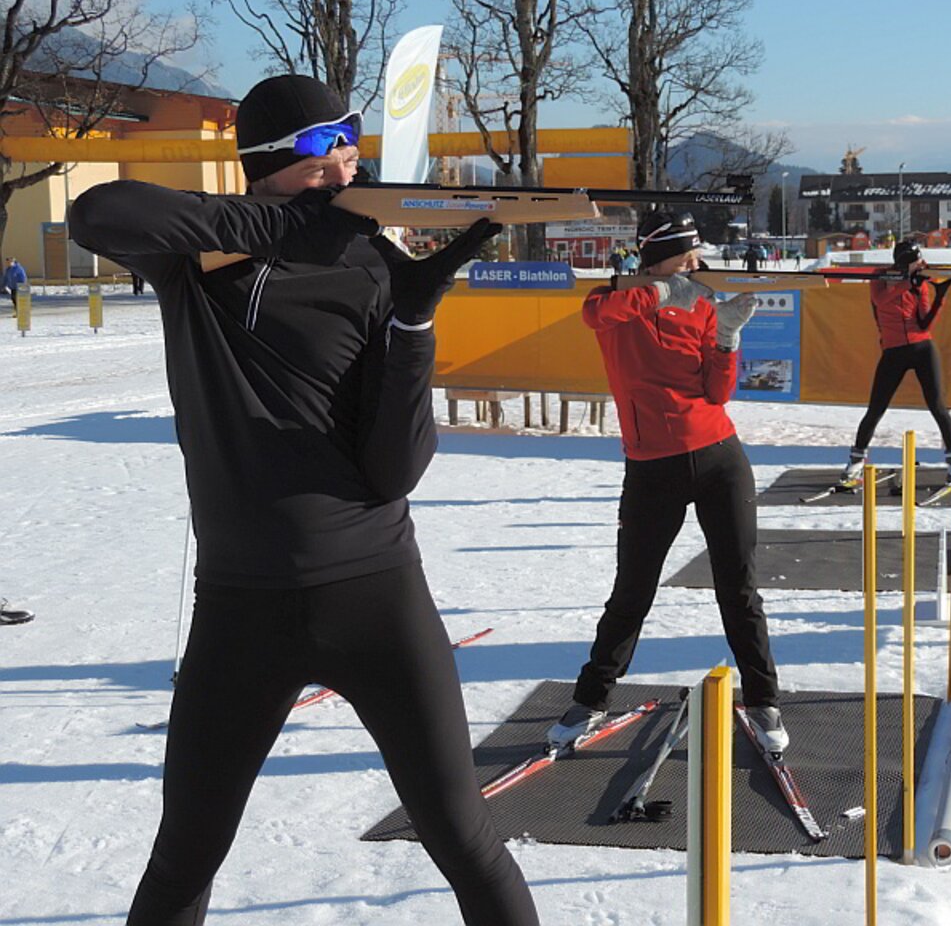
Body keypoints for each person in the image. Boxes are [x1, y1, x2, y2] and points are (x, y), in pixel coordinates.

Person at [68, 74, 539, 926]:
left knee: (463, 836)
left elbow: (393, 470)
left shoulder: (368, 264)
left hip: (377, 594)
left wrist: (413, 326)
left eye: (354, 147)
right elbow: (98, 211)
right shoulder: (196, 261)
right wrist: (279, 226)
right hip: (241, 609)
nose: (348, 166)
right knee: (184, 858)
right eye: (329, 150)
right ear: (276, 162)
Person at [549, 210, 789, 754]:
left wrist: (726, 338)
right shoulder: (616, 302)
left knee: (739, 587)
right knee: (632, 591)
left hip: (718, 456)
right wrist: (661, 291)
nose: (697, 265)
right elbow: (596, 316)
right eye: (688, 256)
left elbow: (717, 392)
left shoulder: (703, 303)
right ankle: (590, 698)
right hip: (651, 467)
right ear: (663, 258)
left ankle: (764, 698)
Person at [842, 240, 951, 484]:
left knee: (938, 406)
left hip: (921, 346)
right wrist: (907, 283)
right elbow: (880, 300)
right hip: (894, 350)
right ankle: (855, 462)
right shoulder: (880, 277)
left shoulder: (920, 281)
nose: (920, 265)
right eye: (916, 261)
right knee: (876, 408)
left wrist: (940, 297)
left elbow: (925, 324)